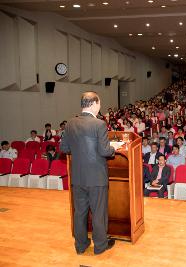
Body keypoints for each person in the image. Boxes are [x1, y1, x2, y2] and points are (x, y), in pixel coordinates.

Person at [60, 91, 115, 255]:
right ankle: (100, 246)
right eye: (99, 104)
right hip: (97, 177)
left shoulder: (70, 123)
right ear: (93, 104)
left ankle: (81, 245)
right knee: (98, 213)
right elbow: (105, 151)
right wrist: (113, 148)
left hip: (78, 177)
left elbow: (64, 148)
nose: (100, 107)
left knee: (80, 213)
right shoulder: (99, 124)